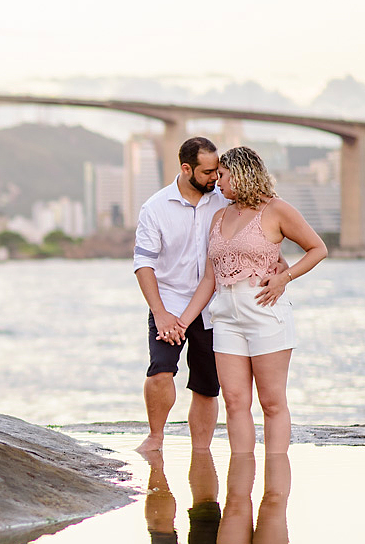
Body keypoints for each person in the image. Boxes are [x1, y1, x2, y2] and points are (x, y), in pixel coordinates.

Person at [165, 146, 328, 454]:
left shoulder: (276, 209)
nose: (217, 181)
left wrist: (284, 277)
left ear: (240, 175)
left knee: (271, 402)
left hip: (265, 313)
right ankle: (240, 484)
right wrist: (183, 323)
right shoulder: (218, 217)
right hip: (225, 317)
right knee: (235, 402)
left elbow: (317, 248)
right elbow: (209, 280)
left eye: (222, 175)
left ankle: (276, 483)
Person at [133, 137, 229, 453]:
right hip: (169, 303)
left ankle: (201, 451)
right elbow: (144, 264)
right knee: (161, 371)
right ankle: (156, 437)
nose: (215, 178)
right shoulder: (155, 208)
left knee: (206, 386)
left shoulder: (224, 201)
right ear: (186, 169)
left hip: (214, 308)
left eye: (217, 170)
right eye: (207, 172)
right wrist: (160, 313)